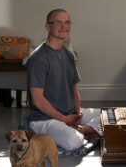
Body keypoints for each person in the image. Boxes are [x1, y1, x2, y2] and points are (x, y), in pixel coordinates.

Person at [25, 9, 101, 151]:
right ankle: (85, 132)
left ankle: (81, 130)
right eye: (58, 22)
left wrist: (77, 113)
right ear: (48, 27)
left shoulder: (69, 55)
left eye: (67, 23)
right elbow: (37, 100)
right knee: (74, 141)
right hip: (45, 119)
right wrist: (64, 120)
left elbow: (73, 89)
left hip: (69, 115)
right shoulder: (38, 58)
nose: (63, 27)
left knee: (110, 115)